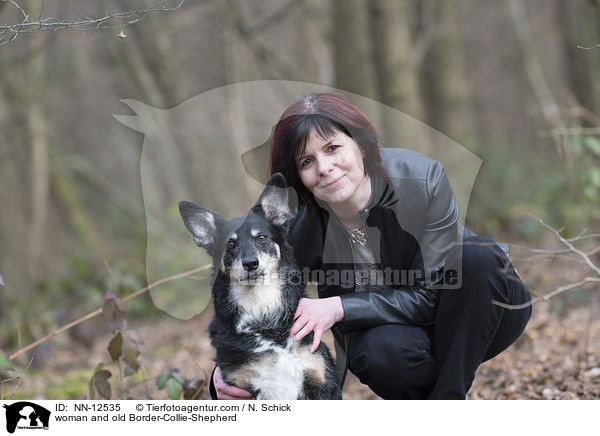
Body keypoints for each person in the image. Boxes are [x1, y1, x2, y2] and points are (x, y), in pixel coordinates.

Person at [210, 92, 532, 400]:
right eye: (307, 161)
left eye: (333, 148)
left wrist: (338, 306)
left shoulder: (422, 178)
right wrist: (223, 371)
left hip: (481, 309)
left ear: (361, 145)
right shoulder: (292, 225)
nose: (324, 168)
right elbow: (257, 293)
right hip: (398, 341)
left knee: (478, 257)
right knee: (380, 353)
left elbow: (432, 293)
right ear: (297, 176)